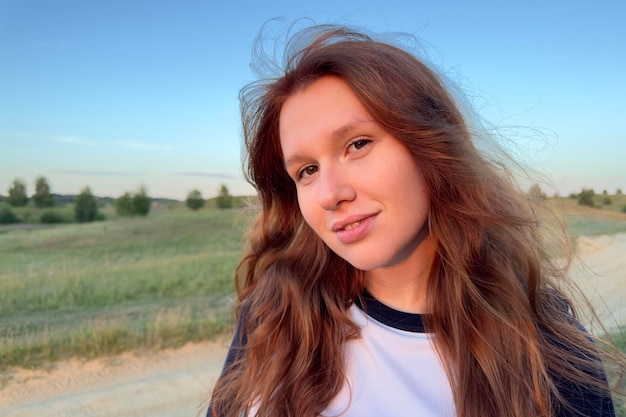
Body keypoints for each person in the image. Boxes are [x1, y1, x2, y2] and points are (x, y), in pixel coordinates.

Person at [207, 24, 622, 417]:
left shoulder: (546, 356)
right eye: (306, 171)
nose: (330, 195)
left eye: (358, 144)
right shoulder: (276, 312)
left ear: (432, 145)